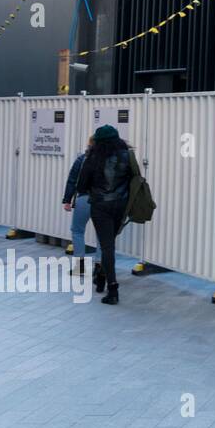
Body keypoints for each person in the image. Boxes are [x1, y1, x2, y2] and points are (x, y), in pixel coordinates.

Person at [74, 124, 133, 305]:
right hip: (121, 205)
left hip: (100, 206)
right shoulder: (127, 155)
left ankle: (112, 288)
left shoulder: (93, 157)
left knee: (107, 246)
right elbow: (134, 180)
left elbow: (81, 185)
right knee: (109, 244)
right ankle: (101, 275)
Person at [61, 137, 93, 275]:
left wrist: (67, 200)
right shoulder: (110, 160)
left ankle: (79, 266)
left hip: (84, 198)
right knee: (102, 234)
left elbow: (72, 180)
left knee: (77, 230)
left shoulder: (82, 159)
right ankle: (100, 266)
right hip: (104, 201)